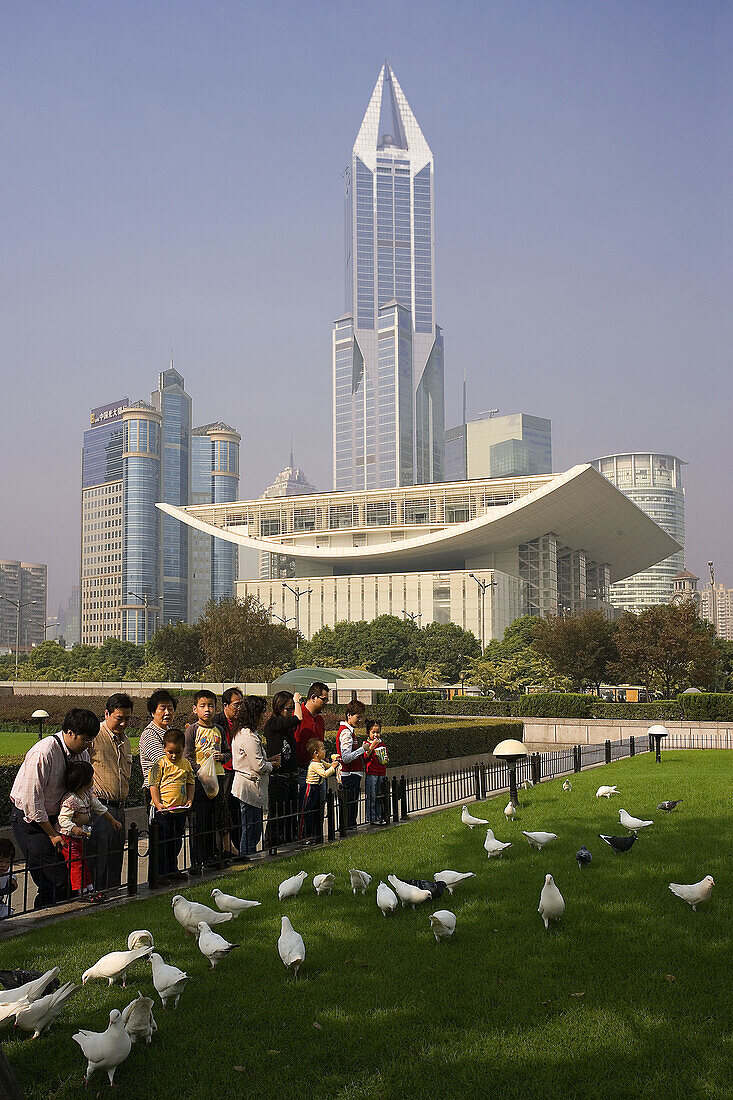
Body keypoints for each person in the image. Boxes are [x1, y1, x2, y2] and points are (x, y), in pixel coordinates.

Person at [10, 708, 100, 908]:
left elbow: (85, 790)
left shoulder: (81, 754)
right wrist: (52, 834)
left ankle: (58, 917)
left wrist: (83, 816)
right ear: (70, 732)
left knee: (68, 876)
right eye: (85, 739)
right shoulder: (44, 752)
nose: (88, 745)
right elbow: (31, 802)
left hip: (58, 819)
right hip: (32, 822)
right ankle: (44, 917)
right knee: (52, 879)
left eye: (91, 740)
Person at [87, 692, 133, 891]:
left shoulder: (126, 740)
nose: (123, 724)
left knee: (115, 858)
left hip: (119, 808)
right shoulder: (94, 736)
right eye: (119, 718)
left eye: (127, 719)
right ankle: (95, 895)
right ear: (107, 713)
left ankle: (112, 896)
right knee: (98, 858)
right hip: (99, 808)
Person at [58, 760, 122, 900]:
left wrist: (112, 820)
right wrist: (74, 828)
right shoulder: (71, 800)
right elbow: (62, 820)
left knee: (83, 863)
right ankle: (81, 892)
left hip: (78, 837)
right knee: (77, 865)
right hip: (69, 839)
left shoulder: (86, 795)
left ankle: (89, 889)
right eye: (91, 778)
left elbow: (99, 807)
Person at [184, 690, 231, 873]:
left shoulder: (219, 730)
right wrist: (200, 772)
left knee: (215, 819)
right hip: (199, 781)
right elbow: (188, 756)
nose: (207, 710)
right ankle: (197, 861)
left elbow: (228, 752)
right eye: (202, 706)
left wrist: (222, 756)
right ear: (195, 708)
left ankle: (213, 856)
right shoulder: (192, 730)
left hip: (217, 779)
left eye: (210, 706)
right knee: (199, 821)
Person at [231, 696, 278, 858]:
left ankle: (248, 857)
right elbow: (257, 766)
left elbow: (252, 760)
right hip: (248, 787)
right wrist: (272, 765)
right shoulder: (248, 736)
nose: (264, 716)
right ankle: (247, 859)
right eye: (261, 712)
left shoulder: (245, 733)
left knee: (252, 827)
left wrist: (267, 760)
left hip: (249, 785)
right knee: (251, 829)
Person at [148, 728, 194, 884]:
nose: (174, 756)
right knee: (162, 842)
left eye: (178, 752)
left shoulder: (186, 764)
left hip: (179, 810)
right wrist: (158, 803)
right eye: (170, 752)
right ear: (164, 749)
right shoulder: (160, 764)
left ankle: (172, 869)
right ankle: (160, 873)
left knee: (176, 841)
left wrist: (189, 799)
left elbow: (190, 783)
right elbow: (153, 785)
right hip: (164, 811)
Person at [264, 691, 302, 846]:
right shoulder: (274, 723)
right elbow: (298, 719)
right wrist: (298, 701)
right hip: (279, 777)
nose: (290, 712)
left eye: (292, 708)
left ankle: (288, 838)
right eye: (287, 709)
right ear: (278, 708)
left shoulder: (285, 727)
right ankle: (272, 841)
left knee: (290, 812)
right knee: (278, 812)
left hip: (290, 775)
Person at [213, 687, 244, 851]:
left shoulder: (241, 723)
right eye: (236, 705)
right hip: (223, 773)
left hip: (237, 771)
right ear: (225, 705)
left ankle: (237, 846)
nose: (239, 709)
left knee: (236, 811)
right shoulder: (217, 722)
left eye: (241, 705)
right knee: (225, 813)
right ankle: (225, 849)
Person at [294, 682, 330, 809]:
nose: (326, 703)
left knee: (319, 808)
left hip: (319, 771)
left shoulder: (320, 720)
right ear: (313, 697)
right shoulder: (298, 715)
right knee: (305, 810)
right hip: (304, 772)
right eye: (324, 699)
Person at [139, 690, 178, 799]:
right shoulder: (150, 734)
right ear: (153, 712)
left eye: (170, 709)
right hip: (155, 790)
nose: (167, 712)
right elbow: (164, 763)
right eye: (162, 708)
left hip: (172, 788)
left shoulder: (170, 731)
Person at [299, 739, 338, 841]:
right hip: (311, 787)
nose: (325, 751)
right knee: (308, 811)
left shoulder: (321, 762)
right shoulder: (314, 765)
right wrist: (333, 767)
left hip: (317, 787)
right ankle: (304, 836)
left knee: (316, 809)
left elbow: (328, 766)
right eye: (323, 749)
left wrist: (334, 763)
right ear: (316, 753)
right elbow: (324, 774)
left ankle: (315, 834)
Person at [337, 700, 366, 830]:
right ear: (349, 715)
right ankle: (348, 828)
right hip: (350, 775)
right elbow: (346, 757)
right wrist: (362, 749)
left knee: (351, 805)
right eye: (357, 717)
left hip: (352, 774)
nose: (359, 720)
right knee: (350, 805)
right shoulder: (346, 733)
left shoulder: (349, 731)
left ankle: (349, 827)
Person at [363, 719, 389, 825]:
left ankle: (379, 816)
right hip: (371, 773)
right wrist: (371, 746)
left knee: (379, 796)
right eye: (373, 732)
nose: (375, 735)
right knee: (371, 796)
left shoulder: (381, 743)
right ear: (368, 733)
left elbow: (386, 757)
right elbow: (365, 756)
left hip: (381, 772)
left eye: (377, 732)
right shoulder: (366, 743)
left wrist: (386, 759)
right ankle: (371, 817)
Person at [0, 839, 18, 919]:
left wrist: (12, 879)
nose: (4, 865)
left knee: (7, 913)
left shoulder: (7, 871)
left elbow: (11, 874)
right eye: (0, 861)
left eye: (7, 862)